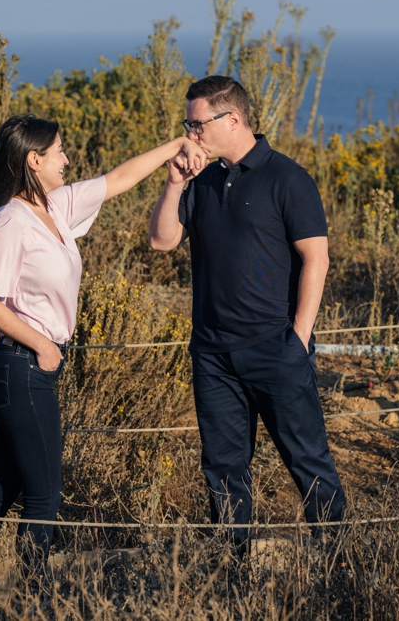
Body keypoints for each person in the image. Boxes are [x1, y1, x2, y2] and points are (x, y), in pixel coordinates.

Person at [0, 114, 205, 589]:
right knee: (44, 495)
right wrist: (43, 345)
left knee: (1, 486)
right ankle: (33, 597)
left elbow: (120, 179)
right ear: (34, 160)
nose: (67, 159)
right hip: (21, 366)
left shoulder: (55, 207)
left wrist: (177, 143)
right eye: (58, 152)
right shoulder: (11, 221)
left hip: (30, 368)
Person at [147, 75, 346, 548]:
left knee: (308, 462)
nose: (190, 134)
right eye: (188, 125)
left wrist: (297, 338)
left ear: (232, 119)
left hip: (275, 348)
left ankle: (341, 564)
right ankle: (233, 569)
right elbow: (161, 241)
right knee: (222, 468)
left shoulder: (288, 178)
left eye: (197, 125)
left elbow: (316, 259)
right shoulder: (202, 180)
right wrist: (176, 183)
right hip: (214, 355)